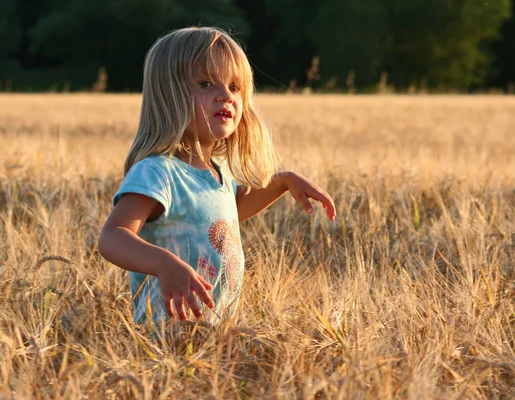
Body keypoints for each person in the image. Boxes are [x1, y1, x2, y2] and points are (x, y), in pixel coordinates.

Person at [98, 27, 336, 329]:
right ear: (169, 95)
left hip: (213, 333)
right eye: (206, 83)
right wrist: (162, 263)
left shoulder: (217, 170)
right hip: (166, 336)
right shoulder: (158, 172)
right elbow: (112, 237)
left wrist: (283, 181)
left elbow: (227, 214)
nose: (225, 95)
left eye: (235, 87)